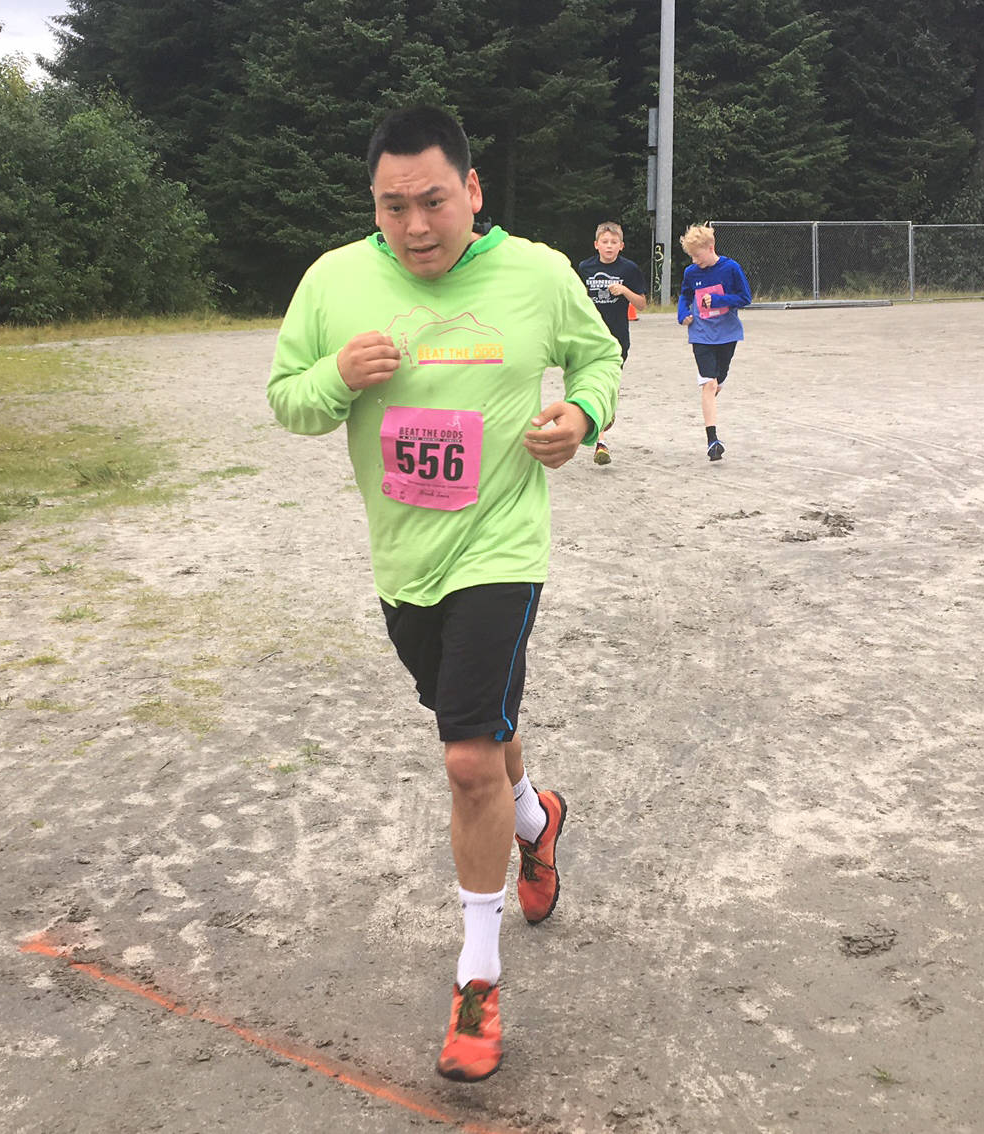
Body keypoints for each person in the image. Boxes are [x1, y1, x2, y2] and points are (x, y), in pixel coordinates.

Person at [267, 106, 620, 1083]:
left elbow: (599, 357)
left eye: (432, 201)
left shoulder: (540, 274)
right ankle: (539, 821)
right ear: (372, 204)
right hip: (405, 566)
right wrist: (336, 376)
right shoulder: (336, 282)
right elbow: (288, 398)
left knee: (467, 757)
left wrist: (582, 412)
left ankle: (477, 980)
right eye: (392, 206)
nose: (414, 226)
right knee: (488, 737)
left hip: (502, 547)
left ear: (472, 190)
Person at [676, 224, 751, 461]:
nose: (695, 261)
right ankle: (712, 440)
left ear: (711, 247)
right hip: (701, 334)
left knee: (718, 381)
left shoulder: (731, 268)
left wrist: (718, 300)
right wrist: (682, 314)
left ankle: (710, 401)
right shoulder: (691, 272)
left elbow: (745, 298)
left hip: (727, 334)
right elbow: (685, 296)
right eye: (691, 257)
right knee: (708, 384)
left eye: (697, 255)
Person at [574, 221, 646, 465]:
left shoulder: (629, 269)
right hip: (591, 338)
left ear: (621, 246)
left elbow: (642, 304)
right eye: (604, 242)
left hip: (617, 340)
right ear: (596, 245)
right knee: (596, 384)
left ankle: (603, 422)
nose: (609, 246)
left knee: (609, 386)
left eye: (613, 242)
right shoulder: (585, 268)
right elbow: (575, 299)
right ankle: (600, 441)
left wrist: (624, 291)